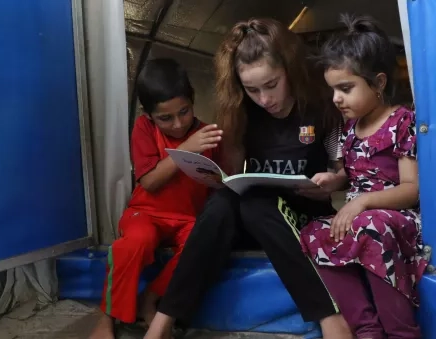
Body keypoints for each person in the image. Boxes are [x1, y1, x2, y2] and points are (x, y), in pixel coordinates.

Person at [144, 18, 353, 339]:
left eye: (271, 85)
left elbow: (344, 173)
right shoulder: (240, 113)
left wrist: (332, 182)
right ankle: (162, 323)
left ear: (290, 71)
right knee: (227, 201)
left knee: (255, 204)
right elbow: (235, 177)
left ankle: (329, 317)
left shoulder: (322, 109)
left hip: (303, 217)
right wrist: (219, 177)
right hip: (254, 219)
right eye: (252, 89)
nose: (264, 98)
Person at [299, 14, 427, 339]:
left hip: (397, 219)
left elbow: (412, 190)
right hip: (363, 218)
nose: (336, 99)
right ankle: (366, 328)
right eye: (333, 90)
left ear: (379, 83)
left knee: (370, 227)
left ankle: (400, 331)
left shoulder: (402, 122)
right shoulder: (351, 128)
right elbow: (351, 173)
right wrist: (333, 180)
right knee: (314, 232)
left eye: (345, 88)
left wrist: (362, 203)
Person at [89, 58, 222, 339]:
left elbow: (218, 184)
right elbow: (149, 181)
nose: (177, 123)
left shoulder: (207, 135)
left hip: (188, 218)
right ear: (148, 114)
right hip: (146, 213)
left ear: (193, 101)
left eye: (184, 112)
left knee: (201, 249)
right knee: (133, 244)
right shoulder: (144, 129)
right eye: (166, 118)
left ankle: (150, 298)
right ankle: (106, 319)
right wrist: (186, 149)